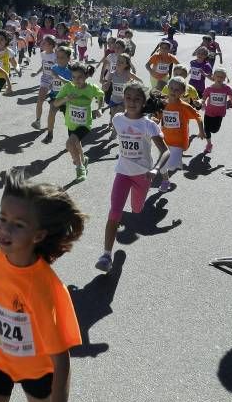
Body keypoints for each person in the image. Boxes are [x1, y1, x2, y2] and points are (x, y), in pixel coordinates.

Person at [0, 169, 86, 402]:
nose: (5, 229)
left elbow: (61, 361)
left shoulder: (40, 288)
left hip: (37, 371)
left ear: (39, 235)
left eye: (18, 224)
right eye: (2, 219)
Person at [96, 84, 169, 272]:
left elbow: (165, 151)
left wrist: (156, 169)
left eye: (137, 99)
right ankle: (106, 255)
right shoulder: (118, 120)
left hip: (143, 175)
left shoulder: (148, 125)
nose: (132, 102)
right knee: (114, 211)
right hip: (122, 172)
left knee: (136, 209)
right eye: (128, 97)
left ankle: (124, 216)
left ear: (144, 102)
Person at [50, 62, 105, 181]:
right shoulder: (68, 87)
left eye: (79, 77)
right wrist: (66, 98)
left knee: (70, 144)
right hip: (71, 123)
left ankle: (80, 168)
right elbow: (55, 103)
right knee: (76, 143)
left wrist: (99, 108)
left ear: (86, 76)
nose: (76, 80)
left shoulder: (91, 88)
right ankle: (84, 159)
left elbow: (101, 95)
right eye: (73, 77)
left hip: (85, 124)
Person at [160, 77, 205, 191]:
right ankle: (165, 181)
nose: (173, 91)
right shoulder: (163, 103)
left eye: (177, 89)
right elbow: (158, 115)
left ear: (183, 92)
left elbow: (198, 117)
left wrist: (201, 131)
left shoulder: (184, 106)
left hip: (178, 142)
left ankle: (176, 162)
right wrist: (155, 119)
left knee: (169, 165)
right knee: (162, 166)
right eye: (171, 88)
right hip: (164, 139)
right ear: (167, 88)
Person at [201, 68, 232, 154]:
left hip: (219, 113)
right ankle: (209, 145)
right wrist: (203, 104)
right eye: (218, 76)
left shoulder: (227, 88)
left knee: (214, 130)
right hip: (209, 112)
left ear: (225, 78)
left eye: (222, 77)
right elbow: (204, 98)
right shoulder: (209, 89)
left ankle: (227, 105)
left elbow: (231, 97)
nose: (219, 79)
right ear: (213, 77)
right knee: (206, 129)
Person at [31, 35, 58, 130]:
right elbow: (43, 65)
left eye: (44, 43)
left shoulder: (56, 56)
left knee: (54, 104)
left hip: (56, 80)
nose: (41, 44)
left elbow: (61, 67)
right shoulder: (43, 54)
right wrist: (37, 73)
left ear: (51, 45)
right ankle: (38, 121)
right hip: (45, 78)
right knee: (40, 100)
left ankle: (52, 122)